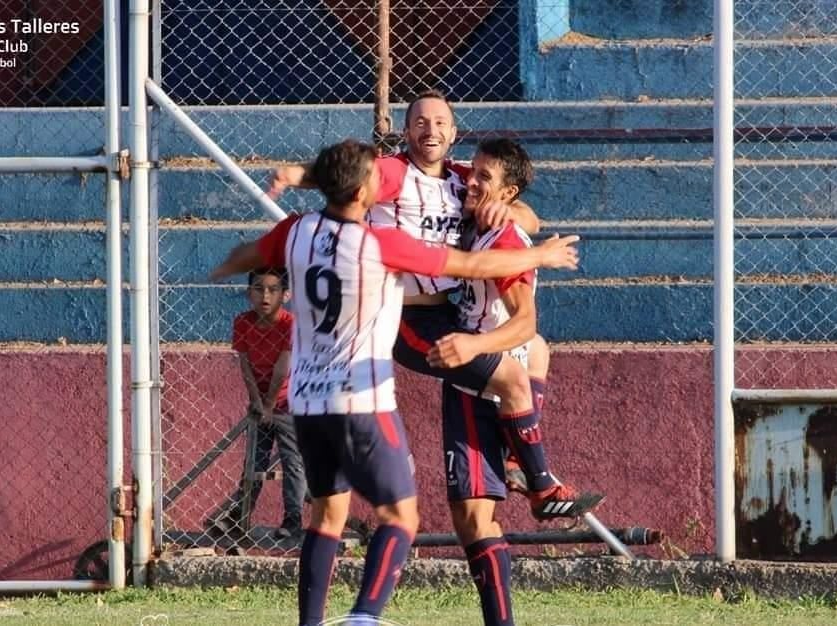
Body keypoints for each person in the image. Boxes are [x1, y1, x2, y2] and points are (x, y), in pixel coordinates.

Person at [210, 139, 581, 626]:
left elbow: (247, 253)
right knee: (401, 516)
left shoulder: (296, 232)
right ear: (366, 191)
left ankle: (311, 623)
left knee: (326, 516)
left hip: (306, 399)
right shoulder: (380, 245)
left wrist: (219, 267)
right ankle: (364, 616)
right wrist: (543, 257)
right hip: (361, 397)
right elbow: (470, 266)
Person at [268, 91, 597, 521]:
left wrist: (512, 213)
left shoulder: (463, 179)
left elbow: (529, 214)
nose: (431, 129)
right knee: (512, 377)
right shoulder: (394, 173)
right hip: (406, 316)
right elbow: (346, 176)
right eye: (420, 122)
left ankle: (515, 464)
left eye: (441, 123)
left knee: (535, 349)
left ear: (454, 133)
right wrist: (296, 174)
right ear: (406, 132)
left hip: (449, 311)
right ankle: (541, 487)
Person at [429, 138, 599, 626]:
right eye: (474, 173)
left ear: (508, 192)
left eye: (485, 178)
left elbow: (526, 324)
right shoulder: (477, 214)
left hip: (484, 375)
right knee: (471, 522)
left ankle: (541, 483)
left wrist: (474, 346)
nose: (472, 182)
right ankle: (520, 460)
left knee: (476, 518)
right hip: (473, 382)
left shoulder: (505, 241)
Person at [207, 267, 308, 541]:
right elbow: (246, 364)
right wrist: (256, 401)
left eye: (273, 290)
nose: (265, 295)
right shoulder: (243, 322)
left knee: (292, 462)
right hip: (259, 403)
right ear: (249, 293)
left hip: (288, 402)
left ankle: (293, 518)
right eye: (259, 288)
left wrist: (270, 404)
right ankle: (239, 516)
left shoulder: (290, 324)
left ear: (285, 295)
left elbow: (282, 367)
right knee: (254, 462)